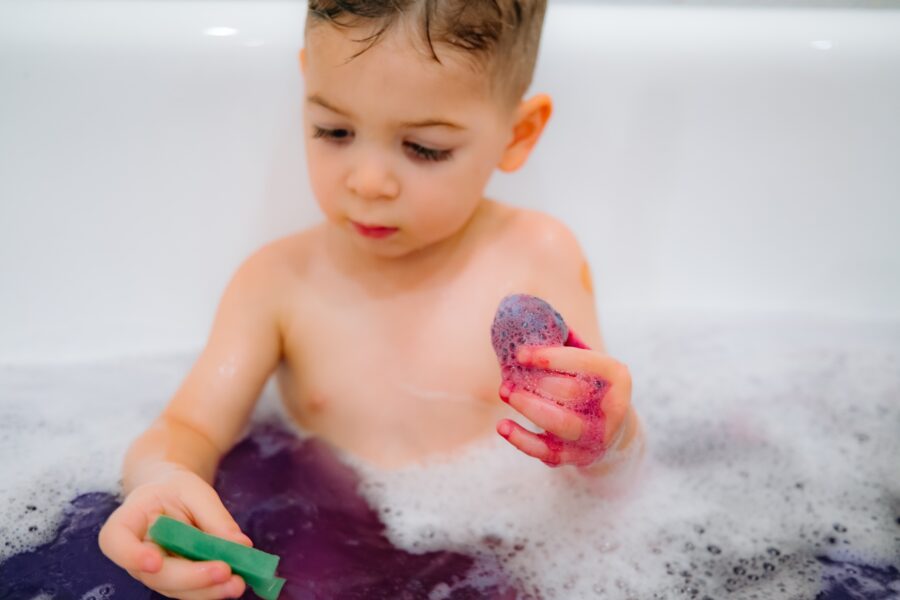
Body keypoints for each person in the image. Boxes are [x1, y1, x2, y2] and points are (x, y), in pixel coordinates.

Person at [98, 1, 643, 597]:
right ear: (307, 83)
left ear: (517, 134)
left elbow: (601, 461)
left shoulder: (539, 256)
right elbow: (187, 426)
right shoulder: (277, 282)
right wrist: (159, 480)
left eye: (424, 148)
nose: (368, 182)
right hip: (322, 536)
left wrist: (613, 441)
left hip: (502, 554)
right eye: (334, 131)